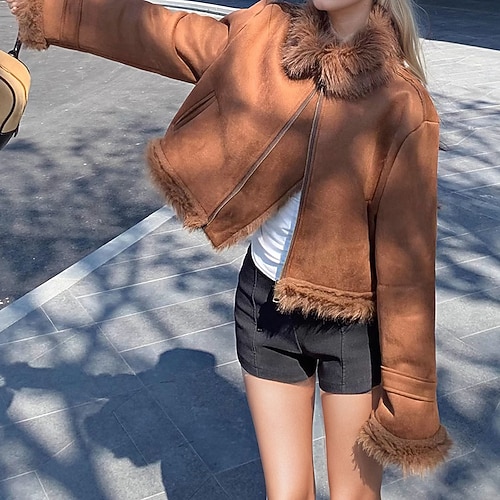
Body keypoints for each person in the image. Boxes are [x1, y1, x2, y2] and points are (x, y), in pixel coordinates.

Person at [6, 0, 452, 497]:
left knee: (355, 496)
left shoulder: (401, 103)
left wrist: (412, 400)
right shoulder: (265, 37)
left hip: (349, 324)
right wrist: (51, 10)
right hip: (263, 307)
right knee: (286, 493)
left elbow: (408, 267)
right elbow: (162, 33)